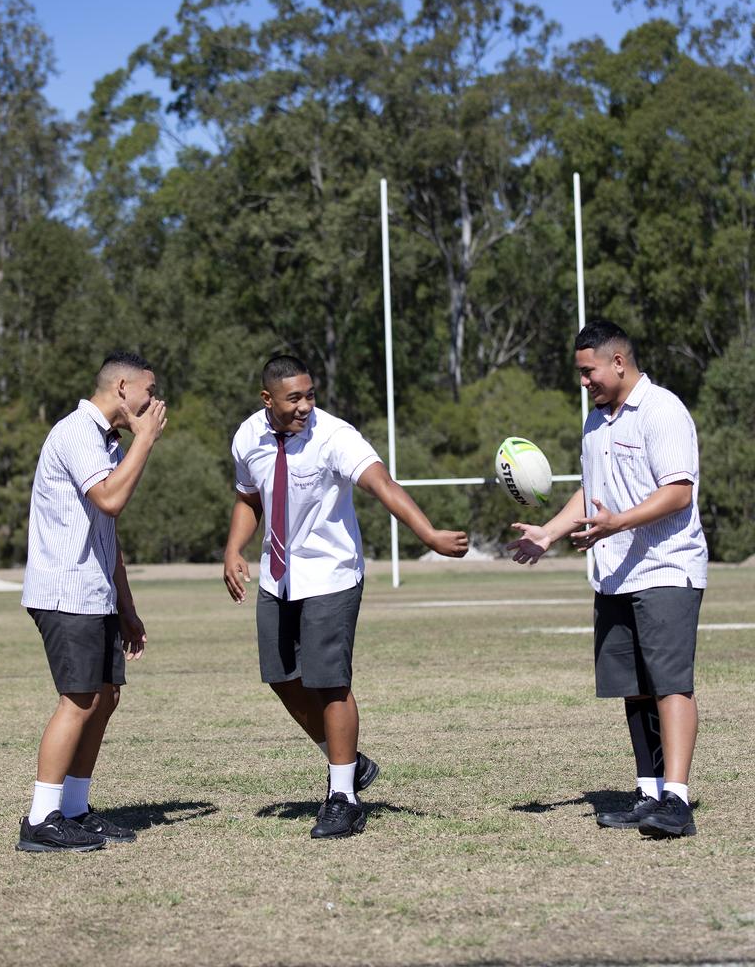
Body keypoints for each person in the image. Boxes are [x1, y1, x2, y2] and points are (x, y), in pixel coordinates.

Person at [223, 355, 468, 839]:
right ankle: (350, 763)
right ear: (267, 399)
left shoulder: (335, 435)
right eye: (294, 398)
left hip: (331, 575)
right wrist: (233, 549)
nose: (305, 406)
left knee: (328, 681)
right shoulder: (247, 437)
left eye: (310, 395)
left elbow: (382, 485)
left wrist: (429, 535)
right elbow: (250, 497)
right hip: (279, 578)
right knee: (280, 676)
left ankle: (343, 798)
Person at [508, 320, 707, 839]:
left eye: (588, 370)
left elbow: (678, 491)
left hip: (666, 567)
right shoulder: (596, 422)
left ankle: (677, 800)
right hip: (614, 573)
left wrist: (619, 521)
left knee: (669, 684)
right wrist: (549, 533)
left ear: (618, 362)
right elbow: (590, 490)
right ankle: (647, 793)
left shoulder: (663, 410)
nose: (584, 382)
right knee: (634, 689)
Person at [17, 352, 167, 852]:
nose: (154, 402)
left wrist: (125, 605)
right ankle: (41, 819)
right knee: (79, 699)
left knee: (105, 696)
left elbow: (107, 529)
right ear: (122, 387)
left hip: (95, 591)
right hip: (65, 590)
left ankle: (75, 808)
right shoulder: (77, 431)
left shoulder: (107, 442)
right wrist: (145, 439)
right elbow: (110, 499)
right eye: (149, 391)